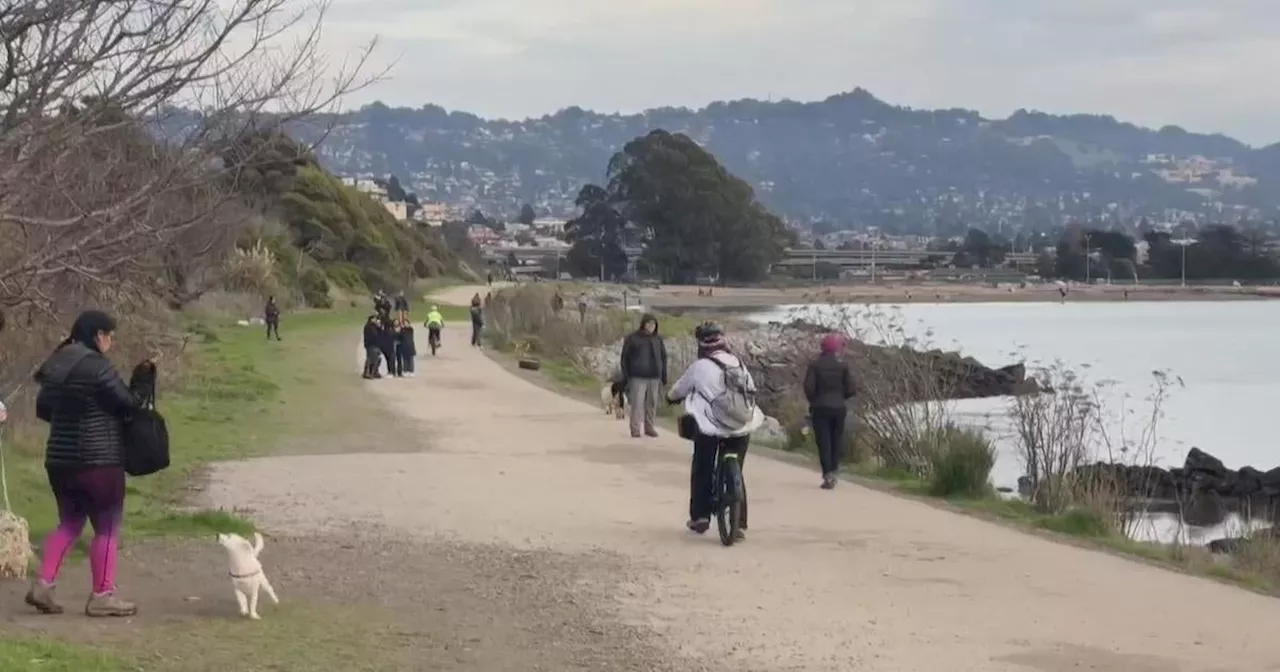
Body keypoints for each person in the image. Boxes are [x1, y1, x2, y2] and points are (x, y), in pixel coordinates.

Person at [27, 310, 145, 617]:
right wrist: (142, 384)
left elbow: (43, 408)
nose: (111, 341)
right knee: (106, 526)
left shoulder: (57, 363)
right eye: (108, 334)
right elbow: (127, 403)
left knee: (68, 524)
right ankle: (103, 595)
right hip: (99, 461)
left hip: (59, 460)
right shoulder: (97, 366)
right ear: (96, 335)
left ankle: (43, 584)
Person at [666, 321, 763, 537]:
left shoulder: (699, 367)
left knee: (703, 465)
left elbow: (677, 391)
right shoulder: (738, 363)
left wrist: (670, 398)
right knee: (736, 465)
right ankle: (738, 523)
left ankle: (700, 516)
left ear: (701, 345)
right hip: (741, 423)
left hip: (710, 426)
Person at [803, 333, 857, 489]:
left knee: (824, 441)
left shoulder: (815, 364)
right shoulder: (843, 365)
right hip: (839, 407)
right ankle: (835, 469)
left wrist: (814, 400)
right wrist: (841, 397)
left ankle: (828, 474)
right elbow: (851, 389)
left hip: (820, 408)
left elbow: (809, 388)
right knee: (837, 439)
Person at [619, 313, 667, 438]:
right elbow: (625, 358)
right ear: (643, 324)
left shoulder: (658, 339)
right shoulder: (633, 338)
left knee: (652, 403)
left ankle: (649, 427)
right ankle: (635, 429)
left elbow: (663, 357)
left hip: (654, 376)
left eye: (653, 324)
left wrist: (663, 375)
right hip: (637, 376)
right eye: (649, 323)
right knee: (637, 404)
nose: (651, 326)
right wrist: (626, 375)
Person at [362, 315, 383, 379]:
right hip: (371, 345)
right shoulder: (369, 326)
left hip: (376, 345)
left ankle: (374, 371)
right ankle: (367, 372)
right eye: (374, 319)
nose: (376, 320)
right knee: (371, 359)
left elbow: (381, 334)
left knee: (377, 359)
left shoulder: (375, 326)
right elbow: (372, 336)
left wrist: (379, 327)